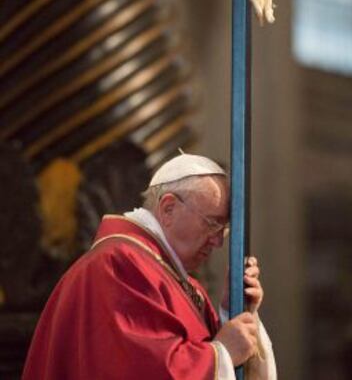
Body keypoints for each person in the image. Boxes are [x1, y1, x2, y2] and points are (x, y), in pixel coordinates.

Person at [22, 153, 276, 379]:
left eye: (224, 229)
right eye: (212, 224)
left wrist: (232, 311)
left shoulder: (172, 277)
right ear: (168, 209)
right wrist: (221, 354)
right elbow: (143, 370)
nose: (219, 241)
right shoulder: (118, 266)